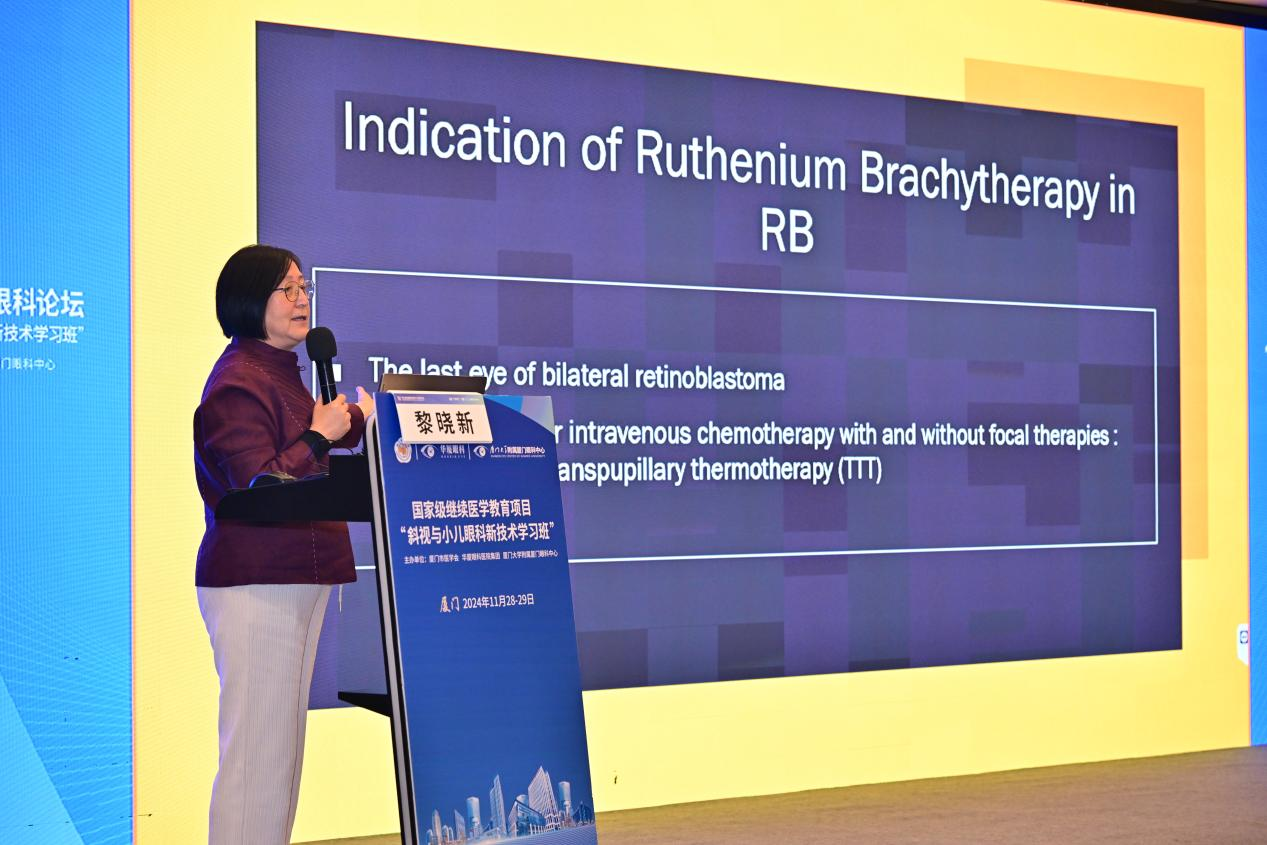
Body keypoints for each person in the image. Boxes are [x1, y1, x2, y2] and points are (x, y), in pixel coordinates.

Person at [192, 244, 374, 844]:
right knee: (256, 760)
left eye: (304, 288)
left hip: (298, 575)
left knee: (281, 756)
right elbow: (259, 483)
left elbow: (314, 449)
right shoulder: (236, 384)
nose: (302, 300)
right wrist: (321, 436)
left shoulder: (285, 374)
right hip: (257, 581)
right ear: (251, 300)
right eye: (287, 289)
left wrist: (359, 424)